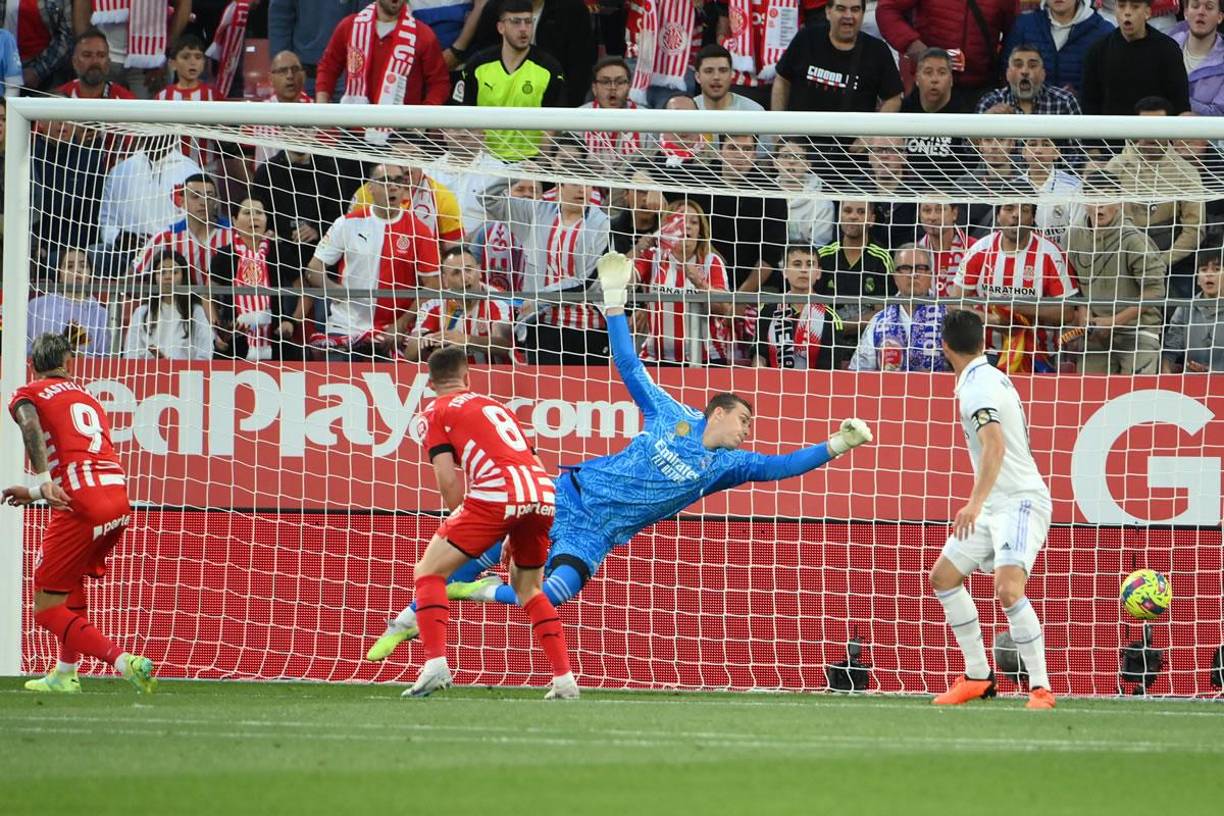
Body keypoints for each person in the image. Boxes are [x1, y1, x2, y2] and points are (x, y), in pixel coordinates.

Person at [367, 251, 874, 657]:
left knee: (554, 592)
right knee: (457, 561)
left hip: (597, 534)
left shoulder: (727, 466)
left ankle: (470, 594)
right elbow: (629, 365)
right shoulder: (670, 413)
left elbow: (781, 467)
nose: (747, 431)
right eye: (744, 420)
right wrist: (614, 302)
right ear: (716, 412)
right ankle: (400, 626)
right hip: (565, 494)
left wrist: (837, 444)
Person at [403, 345, 578, 699]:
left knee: (429, 572)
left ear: (431, 382)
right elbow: (531, 458)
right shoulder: (495, 406)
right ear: (468, 376)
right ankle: (564, 679)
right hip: (542, 491)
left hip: (497, 493)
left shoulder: (432, 413)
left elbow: (447, 479)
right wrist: (514, 529)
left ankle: (435, 664)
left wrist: (457, 520)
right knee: (528, 588)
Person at [4, 332, 157, 694]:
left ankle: (124, 662)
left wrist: (42, 482)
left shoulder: (29, 392)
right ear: (67, 363)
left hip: (81, 503)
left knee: (46, 608)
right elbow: (83, 453)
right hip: (118, 498)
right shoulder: (88, 396)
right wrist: (32, 492)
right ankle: (65, 673)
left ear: (33, 365)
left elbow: (30, 427)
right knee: (70, 584)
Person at [929, 309, 1056, 710]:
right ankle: (978, 676)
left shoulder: (978, 389)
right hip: (996, 501)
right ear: (983, 342)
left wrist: (974, 503)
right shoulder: (985, 377)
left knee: (1007, 589)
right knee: (944, 577)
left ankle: (1040, 688)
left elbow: (995, 446)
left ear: (945, 347)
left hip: (1018, 499)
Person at [305, 163, 441, 359]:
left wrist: (401, 323)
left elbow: (432, 286)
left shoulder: (419, 231)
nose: (393, 186)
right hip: (344, 326)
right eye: (385, 181)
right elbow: (313, 269)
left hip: (392, 333)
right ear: (370, 187)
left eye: (398, 181)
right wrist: (333, 288)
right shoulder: (347, 223)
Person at [948, 200, 1078, 373]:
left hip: (1039, 354)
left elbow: (1067, 312)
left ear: (1032, 218)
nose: (1016, 215)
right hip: (987, 353)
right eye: (1009, 209)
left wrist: (1018, 307)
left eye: (1024, 210)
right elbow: (954, 302)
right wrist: (990, 319)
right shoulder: (979, 250)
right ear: (998, 216)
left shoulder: (1050, 253)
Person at [1063, 183, 1165, 374]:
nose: (1099, 205)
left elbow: (1156, 291)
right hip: (1095, 334)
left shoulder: (1134, 239)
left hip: (1138, 331)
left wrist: (1113, 321)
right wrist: (1085, 317)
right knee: (1088, 396)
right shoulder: (1072, 237)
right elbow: (1076, 285)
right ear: (1084, 203)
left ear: (1118, 203)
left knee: (1137, 397)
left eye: (1106, 198)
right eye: (1093, 199)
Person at [460, 0, 566, 162]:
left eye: (528, 21)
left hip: (529, 162)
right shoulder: (477, 65)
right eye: (516, 22)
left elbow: (551, 127)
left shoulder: (550, 68)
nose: (523, 29)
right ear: (500, 27)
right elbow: (466, 116)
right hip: (486, 162)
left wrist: (540, 167)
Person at [632, 200, 734, 365]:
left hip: (707, 358)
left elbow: (725, 309)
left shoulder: (710, 261)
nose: (687, 226)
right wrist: (637, 250)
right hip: (655, 357)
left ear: (700, 231)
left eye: (694, 222)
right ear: (667, 227)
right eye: (681, 220)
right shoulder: (653, 257)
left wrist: (701, 285)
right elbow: (624, 280)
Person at [208, 197, 301, 361]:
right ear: (234, 221)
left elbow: (305, 290)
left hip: (276, 336)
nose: (254, 217)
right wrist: (217, 329)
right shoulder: (223, 255)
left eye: (259, 212)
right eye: (247, 213)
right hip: (234, 337)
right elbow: (207, 295)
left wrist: (292, 321)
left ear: (267, 219)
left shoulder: (280, 252)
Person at [316, 0, 450, 108]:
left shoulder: (423, 35)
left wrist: (423, 117)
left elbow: (439, 83)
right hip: (354, 129)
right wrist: (321, 106)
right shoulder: (349, 26)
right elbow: (328, 67)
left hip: (401, 133)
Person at [404, 245, 513, 363]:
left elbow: (504, 345)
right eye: (456, 273)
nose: (465, 278)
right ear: (445, 280)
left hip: (495, 377)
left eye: (468, 269)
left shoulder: (498, 298)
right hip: (453, 376)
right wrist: (427, 340)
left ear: (480, 271)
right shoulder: (434, 304)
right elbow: (410, 354)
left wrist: (465, 340)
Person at [850, 244, 949, 372]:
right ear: (895, 276)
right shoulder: (878, 322)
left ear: (930, 274)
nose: (913, 274)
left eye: (920, 268)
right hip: (887, 390)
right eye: (905, 268)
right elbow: (859, 371)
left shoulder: (948, 316)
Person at [1081, 0, 1190, 115]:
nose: (1127, 12)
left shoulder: (1168, 50)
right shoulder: (1098, 51)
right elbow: (1089, 105)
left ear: (1147, 12)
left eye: (1135, 7)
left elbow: (1180, 105)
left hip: (1155, 130)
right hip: (1111, 130)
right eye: (1121, 6)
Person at [754, 245, 841, 369]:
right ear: (784, 271)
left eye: (810, 264)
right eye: (797, 264)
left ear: (818, 273)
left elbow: (830, 368)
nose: (804, 270)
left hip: (814, 386)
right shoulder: (767, 310)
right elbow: (759, 355)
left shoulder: (831, 317)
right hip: (772, 385)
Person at [1003, 0, 1113, 95]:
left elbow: (1110, 86)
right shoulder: (1024, 25)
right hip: (1032, 116)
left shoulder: (1103, 32)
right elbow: (1006, 73)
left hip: (1082, 116)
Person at [123, 250, 215, 359]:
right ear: (154, 277)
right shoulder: (142, 312)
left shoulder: (196, 311)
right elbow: (130, 354)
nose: (167, 277)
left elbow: (205, 354)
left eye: (174, 272)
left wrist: (173, 367)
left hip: (187, 375)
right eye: (161, 272)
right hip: (149, 374)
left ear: (183, 276)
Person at [27, 249, 111, 357]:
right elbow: (22, 348)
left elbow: (106, 360)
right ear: (59, 275)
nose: (77, 270)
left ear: (91, 274)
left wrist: (80, 356)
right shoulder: (36, 306)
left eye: (83, 266)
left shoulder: (101, 314)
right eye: (70, 266)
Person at [1164, 243, 1224, 372]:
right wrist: (1167, 371)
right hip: (1191, 384)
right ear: (1197, 279)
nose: (1209, 274)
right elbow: (1170, 349)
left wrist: (1211, 371)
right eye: (1203, 270)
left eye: (1217, 269)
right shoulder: (1185, 308)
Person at [976, 44, 1083, 115]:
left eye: (1032, 65)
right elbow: (968, 147)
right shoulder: (991, 101)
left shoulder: (1064, 102)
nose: (1025, 71)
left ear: (1043, 74)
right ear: (1007, 74)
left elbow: (1078, 147)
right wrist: (986, 120)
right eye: (1018, 65)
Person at [1170, 0, 1224, 116]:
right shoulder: (1166, 46)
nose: (1201, 12)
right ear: (1186, 12)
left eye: (1209, 7)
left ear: (1220, 17)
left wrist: (1176, 97)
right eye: (1195, 6)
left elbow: (1219, 113)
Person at [57, 28, 135, 99]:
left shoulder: (125, 100)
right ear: (74, 62)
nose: (95, 61)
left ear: (108, 63)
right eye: (87, 55)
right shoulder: (58, 99)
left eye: (101, 55)